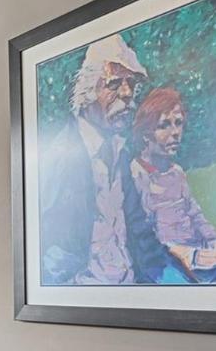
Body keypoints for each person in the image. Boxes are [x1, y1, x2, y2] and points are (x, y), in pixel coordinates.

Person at [39, 34, 170, 285]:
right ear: (87, 93)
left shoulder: (119, 152)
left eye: (131, 84)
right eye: (114, 84)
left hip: (131, 287)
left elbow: (139, 229)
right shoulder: (61, 155)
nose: (127, 93)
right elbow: (46, 246)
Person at [128, 86, 216, 284]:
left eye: (178, 123)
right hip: (178, 262)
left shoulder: (176, 172)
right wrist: (204, 257)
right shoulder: (136, 174)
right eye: (164, 125)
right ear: (145, 133)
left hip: (203, 252)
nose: (175, 132)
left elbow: (196, 216)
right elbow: (151, 242)